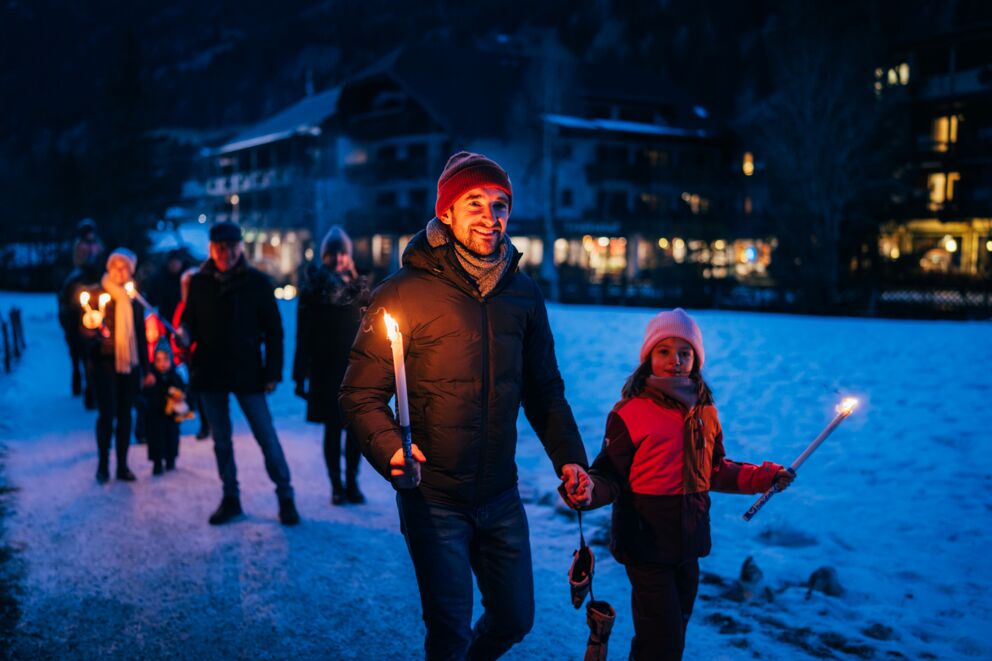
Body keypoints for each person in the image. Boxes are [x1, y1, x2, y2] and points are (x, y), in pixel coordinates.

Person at [341, 151, 592, 660]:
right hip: (434, 497)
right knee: (450, 632)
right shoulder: (402, 293)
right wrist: (392, 448)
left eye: (500, 204)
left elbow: (544, 388)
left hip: (500, 495)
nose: (490, 215)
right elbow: (359, 394)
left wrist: (570, 458)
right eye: (473, 202)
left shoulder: (523, 295)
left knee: (515, 618)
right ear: (447, 214)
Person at [561, 308, 795, 661]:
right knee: (662, 641)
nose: (675, 361)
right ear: (648, 358)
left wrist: (764, 477)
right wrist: (587, 490)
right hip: (646, 542)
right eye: (665, 351)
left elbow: (713, 471)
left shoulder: (705, 411)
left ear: (696, 358)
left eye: (685, 352)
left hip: (689, 542)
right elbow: (609, 474)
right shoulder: (630, 412)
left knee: (675, 631)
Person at [180, 221, 299, 526]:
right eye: (220, 247)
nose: (226, 253)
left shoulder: (257, 282)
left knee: (265, 435)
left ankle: (285, 495)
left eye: (232, 246)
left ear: (240, 247)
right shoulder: (199, 283)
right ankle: (230, 497)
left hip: (248, 372)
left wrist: (272, 371)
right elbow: (189, 323)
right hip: (209, 371)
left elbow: (274, 332)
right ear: (211, 249)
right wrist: (183, 336)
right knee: (221, 440)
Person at [293, 226, 370, 505]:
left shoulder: (359, 289)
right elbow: (303, 335)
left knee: (355, 431)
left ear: (348, 256)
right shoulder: (313, 290)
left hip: (355, 370)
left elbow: (370, 331)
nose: (338, 258)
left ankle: (352, 482)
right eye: (332, 253)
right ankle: (336, 486)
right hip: (325, 370)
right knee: (333, 429)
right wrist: (298, 375)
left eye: (342, 253)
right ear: (325, 255)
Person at [81, 248, 154, 483]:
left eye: (125, 267)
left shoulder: (134, 298)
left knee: (125, 414)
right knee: (107, 413)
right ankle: (103, 465)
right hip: (104, 363)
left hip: (129, 365)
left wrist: (147, 368)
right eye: (115, 266)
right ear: (108, 268)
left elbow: (140, 335)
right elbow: (83, 330)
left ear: (131, 271)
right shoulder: (97, 294)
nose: (119, 271)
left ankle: (122, 465)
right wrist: (91, 332)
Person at [58, 219, 104, 408]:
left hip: (96, 273)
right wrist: (84, 264)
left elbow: (102, 257)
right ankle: (68, 320)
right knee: (69, 287)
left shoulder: (98, 244)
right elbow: (77, 260)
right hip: (81, 272)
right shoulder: (79, 245)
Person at [172, 266, 210, 440]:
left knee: (208, 391)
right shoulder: (182, 307)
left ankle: (209, 423)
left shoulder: (208, 305)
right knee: (195, 391)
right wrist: (179, 347)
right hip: (189, 358)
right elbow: (176, 330)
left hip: (206, 355)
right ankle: (202, 421)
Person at [143, 340, 186, 475]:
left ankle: (170, 459)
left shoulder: (175, 377)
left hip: (171, 417)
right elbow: (143, 396)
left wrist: (180, 397)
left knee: (171, 438)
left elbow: (184, 393)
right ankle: (157, 462)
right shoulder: (151, 378)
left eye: (166, 360)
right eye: (158, 360)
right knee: (156, 439)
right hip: (155, 417)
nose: (162, 364)